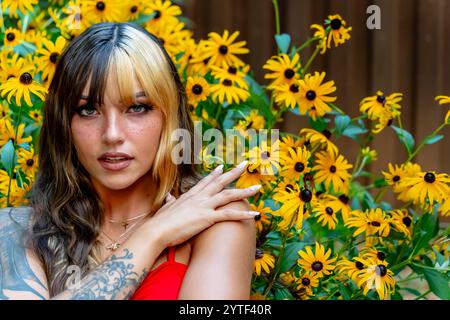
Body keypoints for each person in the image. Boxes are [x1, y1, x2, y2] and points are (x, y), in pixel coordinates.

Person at [0, 22, 260, 300]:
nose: (112, 134)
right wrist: (153, 235)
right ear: (64, 123)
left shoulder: (215, 217)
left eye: (137, 108)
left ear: (169, 115)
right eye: (88, 110)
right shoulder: (15, 232)